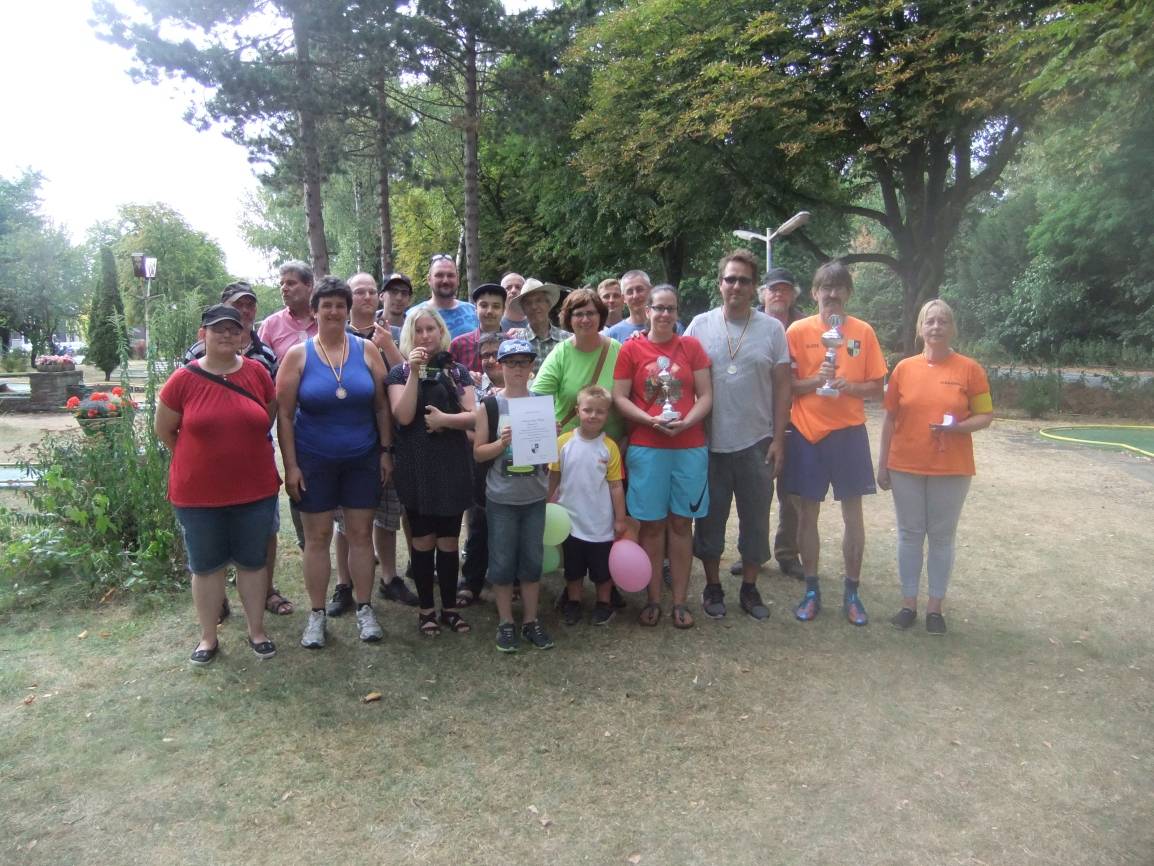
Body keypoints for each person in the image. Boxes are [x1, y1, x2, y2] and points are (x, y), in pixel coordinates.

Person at [156, 304, 281, 665]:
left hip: (254, 490)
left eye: (233, 329)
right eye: (218, 329)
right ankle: (208, 638)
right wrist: (201, 458)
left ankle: (257, 631)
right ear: (203, 335)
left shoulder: (258, 373)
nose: (227, 334)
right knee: (206, 566)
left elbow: (268, 414)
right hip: (198, 494)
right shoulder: (183, 379)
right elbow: (165, 430)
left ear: (243, 335)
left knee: (252, 562)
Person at [276, 276, 394, 649]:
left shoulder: (366, 350)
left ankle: (364, 607)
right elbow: (284, 415)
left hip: (362, 458)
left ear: (348, 310)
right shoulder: (298, 355)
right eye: (325, 305)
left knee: (360, 535)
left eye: (339, 305)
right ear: (314, 311)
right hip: (314, 461)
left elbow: (380, 405)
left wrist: (386, 451)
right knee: (317, 538)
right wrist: (291, 466)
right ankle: (316, 615)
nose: (333, 311)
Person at [876, 299, 993, 634]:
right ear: (920, 329)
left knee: (941, 537)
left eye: (943, 321)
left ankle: (935, 609)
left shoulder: (970, 369)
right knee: (909, 534)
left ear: (952, 328)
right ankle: (908, 604)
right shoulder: (904, 369)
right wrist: (883, 465)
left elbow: (985, 415)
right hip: (905, 465)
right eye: (930, 322)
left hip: (951, 468)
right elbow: (888, 418)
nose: (937, 327)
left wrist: (957, 428)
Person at [686, 250, 791, 622]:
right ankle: (712, 585)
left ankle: (749, 587)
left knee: (756, 520)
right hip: (709, 443)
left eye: (744, 280)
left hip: (756, 442)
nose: (736, 286)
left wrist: (779, 439)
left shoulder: (773, 330)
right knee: (710, 520)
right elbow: (681, 382)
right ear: (720, 284)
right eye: (730, 279)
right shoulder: (699, 325)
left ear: (754, 287)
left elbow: (782, 388)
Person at [782, 261, 887, 626]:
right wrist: (816, 381)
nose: (832, 294)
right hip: (807, 434)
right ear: (814, 293)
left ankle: (852, 592)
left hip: (848, 433)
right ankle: (811, 590)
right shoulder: (796, 331)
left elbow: (876, 387)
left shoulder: (863, 332)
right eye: (825, 287)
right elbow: (787, 386)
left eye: (839, 287)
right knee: (806, 513)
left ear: (848, 294)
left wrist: (851, 387)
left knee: (852, 514)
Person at [181, 281, 291, 620]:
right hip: (207, 468)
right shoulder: (193, 359)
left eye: (249, 306)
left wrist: (251, 433)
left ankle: (266, 591)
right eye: (237, 305)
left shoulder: (264, 356)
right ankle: (218, 600)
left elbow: (272, 407)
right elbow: (172, 424)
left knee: (263, 531)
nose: (244, 312)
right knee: (210, 538)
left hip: (254, 460)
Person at [612, 285, 713, 629]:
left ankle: (681, 602)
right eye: (659, 308)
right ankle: (654, 600)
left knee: (682, 524)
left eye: (671, 309)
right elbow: (620, 398)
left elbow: (706, 394)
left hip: (689, 447)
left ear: (677, 312)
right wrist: (649, 419)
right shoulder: (631, 348)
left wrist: (687, 421)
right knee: (652, 527)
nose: (665, 315)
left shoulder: (692, 347)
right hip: (647, 446)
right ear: (648, 310)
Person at [328, 272, 417, 614]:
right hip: (348, 438)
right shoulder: (334, 336)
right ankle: (343, 583)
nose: (364, 296)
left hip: (389, 437)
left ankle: (390, 577)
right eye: (358, 292)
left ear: (377, 298)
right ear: (349, 299)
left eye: (369, 291)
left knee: (387, 513)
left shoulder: (394, 334)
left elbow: (411, 378)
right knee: (343, 519)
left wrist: (389, 348)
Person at [387, 307, 477, 635]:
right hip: (416, 465)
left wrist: (444, 421)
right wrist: (413, 371)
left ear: (441, 332)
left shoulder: (457, 372)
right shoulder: (399, 373)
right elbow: (404, 416)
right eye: (419, 330)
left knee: (449, 541)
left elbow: (474, 415)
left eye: (431, 329)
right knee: (423, 541)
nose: (426, 335)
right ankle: (426, 610)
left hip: (452, 463)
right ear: (411, 335)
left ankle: (450, 608)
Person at [474, 338, 554, 652]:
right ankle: (506, 622)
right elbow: (479, 453)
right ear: (501, 366)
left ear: (531, 366)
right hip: (502, 498)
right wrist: (502, 443)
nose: (518, 369)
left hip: (534, 496)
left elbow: (546, 457)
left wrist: (551, 433)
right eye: (511, 363)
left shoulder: (540, 402)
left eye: (523, 362)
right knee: (503, 562)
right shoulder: (490, 406)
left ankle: (532, 620)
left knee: (532, 562)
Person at [729, 267, 809, 581]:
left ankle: (788, 554)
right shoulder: (750, 322)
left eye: (785, 289)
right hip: (755, 422)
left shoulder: (807, 328)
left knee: (793, 495)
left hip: (799, 422)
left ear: (794, 294)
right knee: (756, 495)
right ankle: (752, 554)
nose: (778, 294)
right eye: (773, 288)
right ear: (762, 293)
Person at [549, 385, 627, 626]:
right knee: (573, 568)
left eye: (600, 412)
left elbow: (615, 486)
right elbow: (553, 477)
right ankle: (574, 601)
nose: (593, 416)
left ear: (608, 414)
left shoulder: (610, 447)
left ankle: (604, 602)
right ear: (577, 411)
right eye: (588, 410)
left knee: (602, 570)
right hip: (570, 522)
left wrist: (620, 519)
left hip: (600, 523)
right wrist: (546, 503)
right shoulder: (563, 442)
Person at [532, 287, 625, 441]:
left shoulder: (616, 350)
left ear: (600, 316)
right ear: (569, 319)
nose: (585, 319)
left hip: (611, 449)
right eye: (579, 314)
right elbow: (537, 397)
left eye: (590, 313)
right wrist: (546, 425)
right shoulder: (561, 353)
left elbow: (630, 397)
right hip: (569, 447)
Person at [457, 331, 506, 606]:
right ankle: (471, 581)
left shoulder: (528, 387)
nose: (490, 360)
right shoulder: (473, 389)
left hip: (514, 468)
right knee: (479, 525)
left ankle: (510, 580)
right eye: (485, 354)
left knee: (509, 527)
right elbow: (468, 430)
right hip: (481, 467)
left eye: (495, 353)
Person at [407, 254, 478, 339]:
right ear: (429, 279)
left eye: (450, 275)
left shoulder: (472, 311)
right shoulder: (413, 315)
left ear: (458, 279)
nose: (445, 280)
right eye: (439, 275)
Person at [507, 279, 571, 372]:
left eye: (539, 300)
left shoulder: (567, 340)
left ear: (548, 304)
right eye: (528, 303)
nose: (534, 306)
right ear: (523, 309)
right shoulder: (516, 343)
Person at [258, 260, 318, 361]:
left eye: (290, 283)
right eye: (281, 284)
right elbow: (261, 367)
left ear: (309, 286)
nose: (283, 288)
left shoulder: (325, 319)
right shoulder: (270, 325)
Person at [450, 282, 508, 375]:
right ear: (475, 309)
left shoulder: (512, 343)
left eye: (496, 306)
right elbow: (448, 378)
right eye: (484, 305)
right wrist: (465, 378)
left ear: (504, 310)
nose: (489, 311)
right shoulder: (458, 345)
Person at [378, 272, 414, 338]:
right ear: (381, 296)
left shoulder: (415, 330)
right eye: (394, 292)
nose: (399, 298)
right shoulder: (368, 325)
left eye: (404, 293)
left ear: (409, 300)